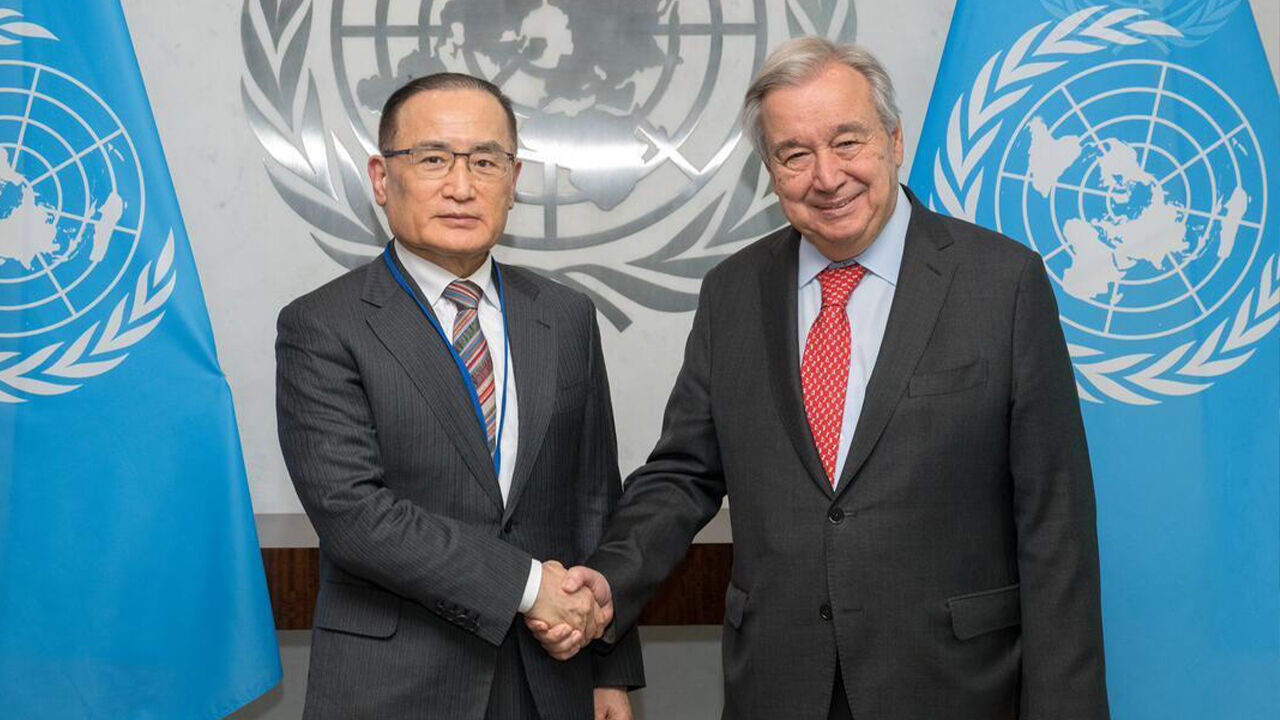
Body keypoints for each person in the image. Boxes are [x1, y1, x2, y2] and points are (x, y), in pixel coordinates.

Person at [530, 37, 1109, 720]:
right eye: (794, 154)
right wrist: (608, 581)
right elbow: (684, 473)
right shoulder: (733, 292)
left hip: (954, 686)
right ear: (770, 172)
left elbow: (1055, 526)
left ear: (894, 140)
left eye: (847, 142)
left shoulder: (1001, 284)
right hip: (779, 684)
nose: (827, 177)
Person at [276, 72, 643, 720]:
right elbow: (355, 515)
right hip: (397, 687)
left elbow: (594, 499)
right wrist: (528, 585)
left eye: (485, 161)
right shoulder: (323, 325)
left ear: (514, 179)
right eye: (433, 159)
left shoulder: (565, 317)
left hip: (551, 677)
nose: (462, 186)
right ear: (382, 178)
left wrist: (607, 667)